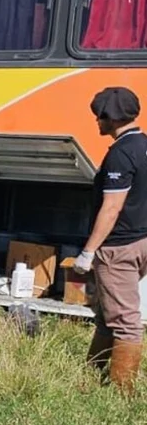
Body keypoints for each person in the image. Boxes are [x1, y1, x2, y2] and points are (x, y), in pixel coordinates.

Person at [73, 87, 147, 392]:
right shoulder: (143, 145)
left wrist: (88, 251)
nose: (96, 122)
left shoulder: (120, 153)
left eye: (98, 116)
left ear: (110, 118)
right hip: (141, 240)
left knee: (126, 321)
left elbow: (112, 206)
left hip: (118, 247)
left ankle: (121, 393)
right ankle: (92, 376)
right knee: (107, 312)